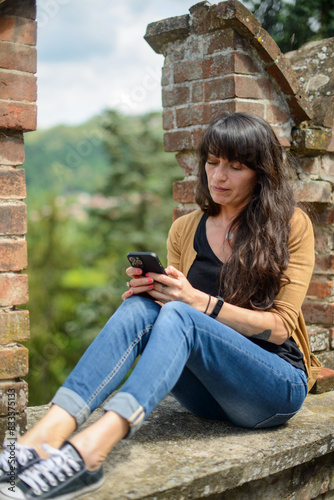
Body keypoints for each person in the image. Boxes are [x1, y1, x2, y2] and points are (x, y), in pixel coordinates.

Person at [0, 112, 321, 500]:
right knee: (143, 307)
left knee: (183, 312)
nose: (217, 176)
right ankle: (41, 439)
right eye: (212, 162)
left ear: (261, 173)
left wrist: (197, 302)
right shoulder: (185, 229)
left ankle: (89, 453)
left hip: (272, 387)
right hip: (207, 395)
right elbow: (174, 311)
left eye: (235, 167)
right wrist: (155, 292)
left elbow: (282, 327)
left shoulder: (290, 224)